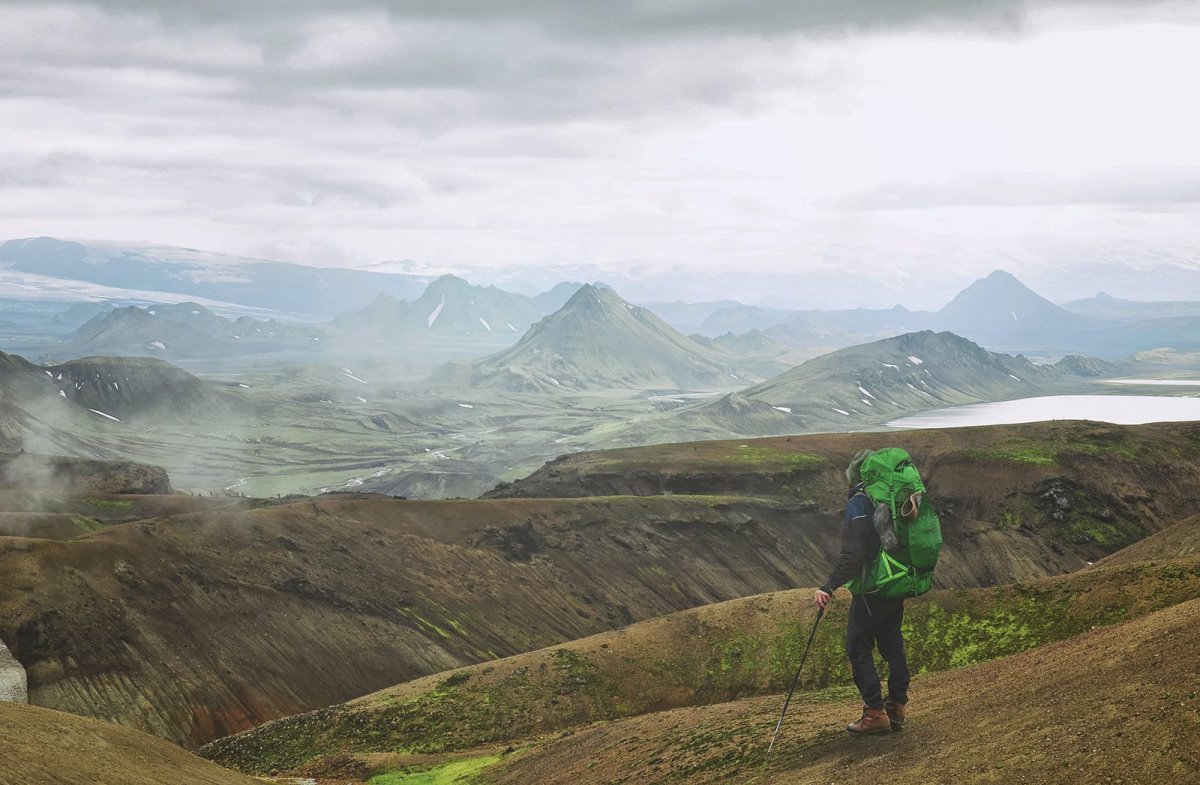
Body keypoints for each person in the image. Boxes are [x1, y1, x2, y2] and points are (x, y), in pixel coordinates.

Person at [814, 448, 910, 735]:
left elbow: (853, 555)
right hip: (895, 584)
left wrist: (828, 586)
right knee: (892, 643)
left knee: (858, 647)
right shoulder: (889, 497)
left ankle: (875, 714)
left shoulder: (859, 503)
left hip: (872, 591)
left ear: (854, 477)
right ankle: (897, 705)